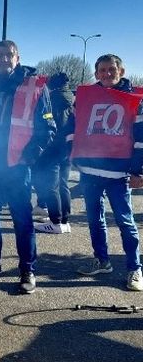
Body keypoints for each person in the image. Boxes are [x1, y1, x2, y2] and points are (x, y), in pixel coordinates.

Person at [0, 40, 55, 294]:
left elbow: (48, 128)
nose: (3, 59)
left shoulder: (34, 86)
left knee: (22, 220)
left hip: (18, 166)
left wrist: (30, 156)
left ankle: (27, 269)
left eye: (9, 55)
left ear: (17, 58)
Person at [68, 54, 142, 291]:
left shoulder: (134, 99)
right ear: (96, 73)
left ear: (121, 71)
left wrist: (138, 171)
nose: (107, 74)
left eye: (111, 69)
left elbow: (141, 137)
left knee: (125, 221)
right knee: (94, 219)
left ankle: (134, 268)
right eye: (102, 70)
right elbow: (73, 125)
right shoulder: (86, 97)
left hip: (119, 172)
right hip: (90, 169)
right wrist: (74, 154)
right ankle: (102, 260)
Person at [33, 72, 74, 233]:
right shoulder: (70, 97)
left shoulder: (54, 98)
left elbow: (48, 122)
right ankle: (64, 220)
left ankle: (55, 222)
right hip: (67, 147)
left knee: (50, 185)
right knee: (63, 184)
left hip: (53, 147)